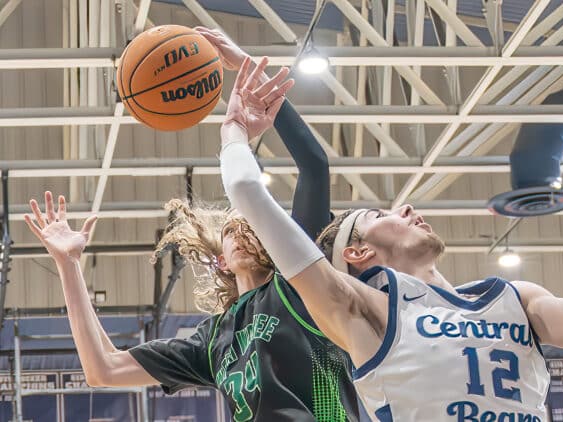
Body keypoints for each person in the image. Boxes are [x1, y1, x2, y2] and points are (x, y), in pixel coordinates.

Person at [219, 57, 563, 421]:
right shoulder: (365, 312)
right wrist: (234, 131)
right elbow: (246, 191)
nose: (409, 210)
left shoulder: (515, 298)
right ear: (356, 253)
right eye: (381, 214)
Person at [23, 47, 359, 422]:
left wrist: (247, 69)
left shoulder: (300, 284)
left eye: (256, 228)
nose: (246, 233)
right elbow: (103, 369)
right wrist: (68, 265)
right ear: (221, 261)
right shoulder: (214, 339)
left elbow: (314, 166)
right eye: (234, 229)